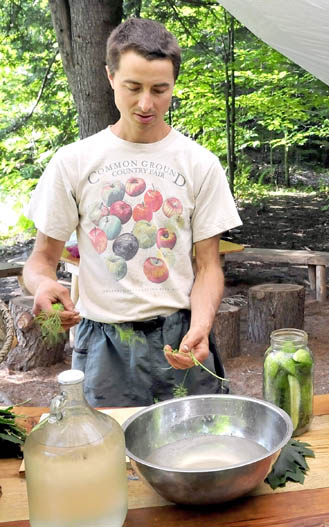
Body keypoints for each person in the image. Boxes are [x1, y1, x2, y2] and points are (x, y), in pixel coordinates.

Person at [23, 18, 242, 406]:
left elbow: (209, 267)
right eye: (133, 87)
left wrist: (202, 326)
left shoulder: (199, 164)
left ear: (174, 84)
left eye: (160, 90)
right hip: (103, 343)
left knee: (194, 451)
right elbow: (41, 260)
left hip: (179, 334)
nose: (146, 103)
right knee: (107, 457)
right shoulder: (73, 162)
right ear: (110, 77)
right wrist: (41, 286)